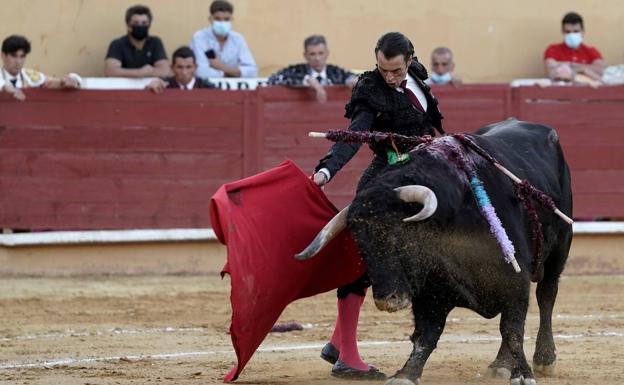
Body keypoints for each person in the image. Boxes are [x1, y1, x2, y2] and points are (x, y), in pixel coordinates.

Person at [312, 32, 443, 380]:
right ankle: (347, 359)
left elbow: (430, 123)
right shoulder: (370, 90)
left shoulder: (417, 77)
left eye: (396, 70)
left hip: (420, 174)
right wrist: (327, 169)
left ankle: (337, 344)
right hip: (384, 181)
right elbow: (356, 135)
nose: (389, 77)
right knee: (364, 263)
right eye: (383, 69)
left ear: (410, 59)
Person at [267, 35, 358, 103]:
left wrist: (353, 80)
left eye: (320, 53)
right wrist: (308, 80)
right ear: (305, 55)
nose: (317, 58)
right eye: (312, 54)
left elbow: (355, 78)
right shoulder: (297, 70)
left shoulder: (335, 72)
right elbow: (273, 79)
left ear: (327, 53)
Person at [0, 34, 81, 101]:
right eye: (14, 56)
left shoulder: (29, 76)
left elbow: (55, 82)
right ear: (3, 56)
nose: (18, 62)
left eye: (22, 56)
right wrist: (5, 87)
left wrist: (71, 80)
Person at [190, 0, 257, 79]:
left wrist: (221, 67)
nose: (222, 23)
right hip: (208, 87)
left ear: (232, 19)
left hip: (234, 88)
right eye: (218, 19)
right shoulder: (199, 38)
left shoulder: (238, 39)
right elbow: (200, 72)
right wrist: (233, 74)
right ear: (210, 19)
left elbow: (252, 71)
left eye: (226, 19)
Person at [105, 4, 171, 78]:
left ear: (149, 25)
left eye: (144, 23)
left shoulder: (155, 42)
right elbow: (110, 71)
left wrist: (146, 73)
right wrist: (140, 73)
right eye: (136, 23)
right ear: (128, 25)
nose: (140, 26)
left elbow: (165, 71)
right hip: (124, 88)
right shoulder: (117, 44)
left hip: (150, 88)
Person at [544, 11, 606, 82]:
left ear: (583, 31)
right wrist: (585, 70)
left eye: (576, 31)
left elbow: (600, 71)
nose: (572, 35)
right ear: (562, 32)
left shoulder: (591, 51)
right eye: (568, 32)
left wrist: (567, 66)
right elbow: (551, 71)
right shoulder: (553, 49)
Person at [145, 46, 216, 93]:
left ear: (195, 67)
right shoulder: (163, 85)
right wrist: (150, 89)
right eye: (180, 67)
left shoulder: (207, 87)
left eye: (189, 67)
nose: (184, 72)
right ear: (172, 68)